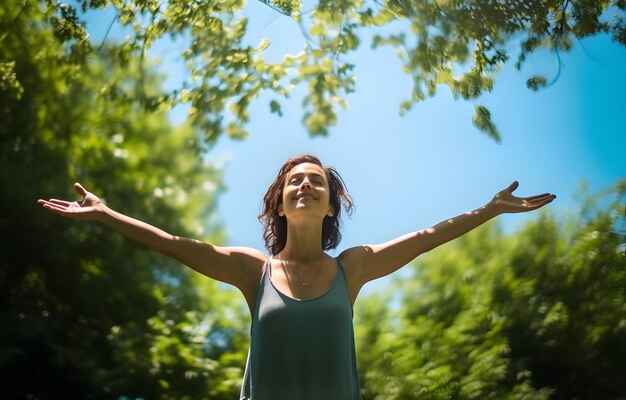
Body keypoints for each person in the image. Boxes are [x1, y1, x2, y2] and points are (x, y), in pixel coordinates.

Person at [38, 153, 556, 399]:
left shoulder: (353, 266)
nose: (305, 186)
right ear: (280, 204)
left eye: (316, 182)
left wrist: (488, 210)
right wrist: (106, 214)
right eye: (294, 182)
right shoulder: (252, 270)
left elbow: (426, 237)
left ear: (330, 206)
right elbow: (176, 245)